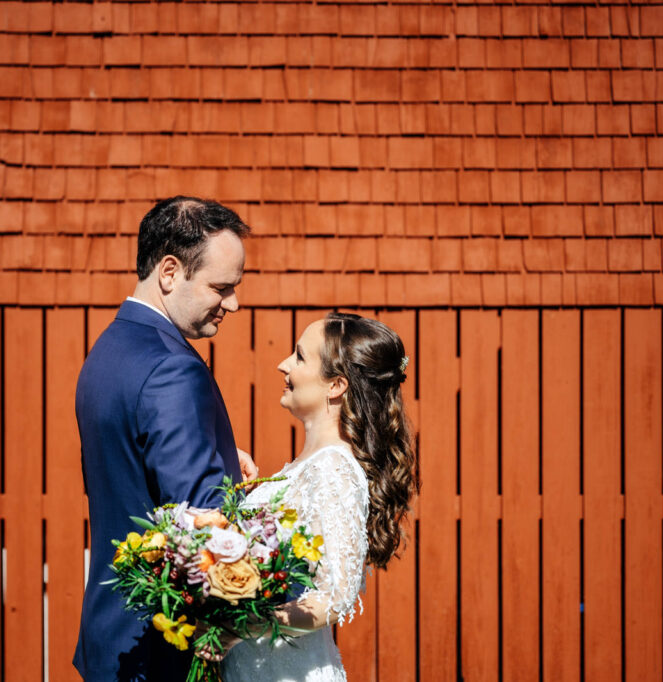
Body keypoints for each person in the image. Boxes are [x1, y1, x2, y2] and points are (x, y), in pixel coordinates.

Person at [73, 196, 258, 681]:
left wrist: (220, 456)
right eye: (222, 287)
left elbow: (130, 465)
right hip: (162, 648)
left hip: (110, 637)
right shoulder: (171, 368)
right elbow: (200, 526)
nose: (234, 303)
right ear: (170, 271)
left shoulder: (110, 349)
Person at [214, 312, 419, 682]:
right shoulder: (309, 467)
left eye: (299, 356)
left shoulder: (334, 470)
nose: (283, 364)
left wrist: (238, 629)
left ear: (336, 386)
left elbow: (333, 598)